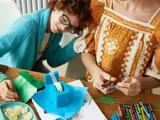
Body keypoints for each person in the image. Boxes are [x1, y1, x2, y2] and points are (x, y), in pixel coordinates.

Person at [0, 0, 91, 101]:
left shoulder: (55, 32)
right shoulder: (27, 25)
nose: (64, 28)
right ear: (57, 6)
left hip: (28, 73)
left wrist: (74, 46)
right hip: (8, 78)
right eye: (65, 20)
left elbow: (53, 60)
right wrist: (1, 79)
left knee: (61, 91)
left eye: (70, 27)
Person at [77, 0, 160, 96]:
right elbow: (86, 47)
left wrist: (140, 83)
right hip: (94, 93)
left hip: (133, 102)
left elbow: (158, 76)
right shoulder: (100, 3)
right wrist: (95, 72)